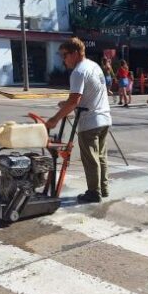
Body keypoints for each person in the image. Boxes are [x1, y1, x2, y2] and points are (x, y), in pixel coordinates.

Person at [46, 37, 112, 204]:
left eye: (65, 55)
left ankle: (93, 192)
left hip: (90, 122)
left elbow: (75, 101)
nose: (63, 59)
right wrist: (67, 104)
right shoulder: (94, 66)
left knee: (90, 159)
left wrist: (54, 119)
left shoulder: (78, 72)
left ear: (75, 53)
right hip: (104, 118)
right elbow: (88, 95)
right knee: (101, 156)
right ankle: (103, 189)